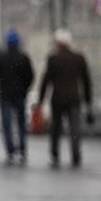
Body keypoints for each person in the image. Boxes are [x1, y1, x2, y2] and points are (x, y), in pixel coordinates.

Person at [37, 28, 93, 168]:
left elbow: (46, 80)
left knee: (56, 127)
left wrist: (41, 99)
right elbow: (86, 80)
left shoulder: (53, 59)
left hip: (58, 98)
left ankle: (55, 153)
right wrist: (88, 99)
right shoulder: (79, 58)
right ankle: (75, 153)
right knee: (75, 128)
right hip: (74, 98)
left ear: (58, 43)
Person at [0, 28, 35, 165]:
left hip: (5, 94)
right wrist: (25, 89)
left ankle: (10, 150)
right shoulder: (24, 57)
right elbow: (30, 76)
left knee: (7, 123)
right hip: (20, 94)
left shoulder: (0, 58)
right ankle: (22, 148)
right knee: (21, 123)